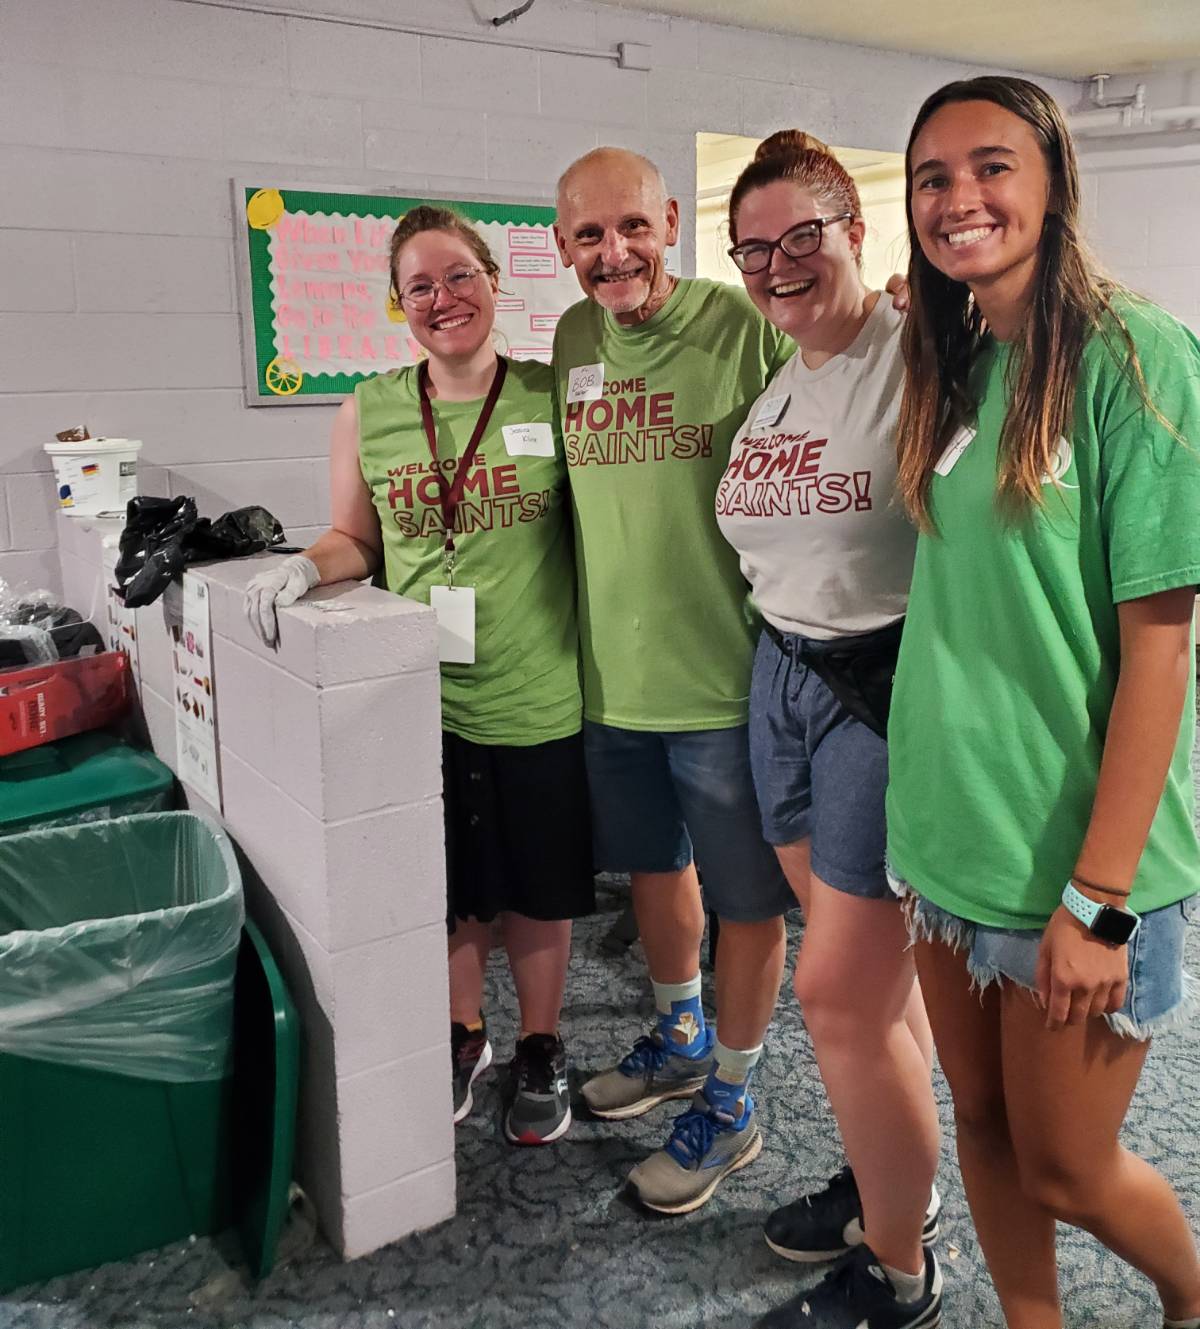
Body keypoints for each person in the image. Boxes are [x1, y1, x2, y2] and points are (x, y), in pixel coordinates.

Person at [889, 75, 1200, 1329]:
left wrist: (1100, 900)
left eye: (991, 165)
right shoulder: (956, 360)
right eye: (932, 177)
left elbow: (1165, 650)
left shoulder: (1137, 354)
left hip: (1082, 862)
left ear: (1056, 177)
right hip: (948, 834)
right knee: (982, 1120)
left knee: (1068, 1163)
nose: (961, 197)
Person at [244, 206, 594, 1147]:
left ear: (493, 281)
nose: (445, 300)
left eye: (460, 277)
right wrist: (301, 567)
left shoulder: (547, 394)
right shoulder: (371, 407)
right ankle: (462, 1032)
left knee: (536, 888)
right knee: (446, 887)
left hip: (536, 694)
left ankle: (543, 1045)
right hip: (417, 701)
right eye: (421, 287)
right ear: (399, 307)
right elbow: (356, 538)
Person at [716, 130, 942, 1329]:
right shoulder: (784, 373)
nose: (777, 264)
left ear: (855, 227)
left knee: (839, 997)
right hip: (782, 679)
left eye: (802, 235)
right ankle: (893, 1177)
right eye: (753, 248)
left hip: (882, 688)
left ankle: (901, 1273)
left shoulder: (925, 356)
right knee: (870, 989)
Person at [550, 146, 798, 1213]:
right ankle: (682, 1035)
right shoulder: (568, 340)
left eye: (634, 228)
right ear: (561, 248)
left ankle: (734, 1104)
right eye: (590, 237)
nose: (616, 255)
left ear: (672, 224)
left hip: (725, 683)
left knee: (748, 903)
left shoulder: (741, 326)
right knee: (655, 873)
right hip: (612, 685)